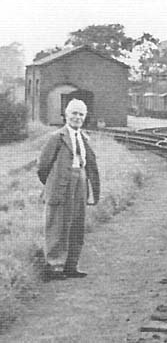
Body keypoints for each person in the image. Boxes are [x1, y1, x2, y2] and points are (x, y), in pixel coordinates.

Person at [36, 98, 101, 281]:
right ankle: (55, 266)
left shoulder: (84, 137)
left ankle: (71, 265)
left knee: (76, 223)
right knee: (57, 224)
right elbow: (43, 167)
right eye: (74, 113)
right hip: (60, 185)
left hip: (80, 182)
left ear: (85, 117)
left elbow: (90, 166)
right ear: (66, 114)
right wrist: (53, 185)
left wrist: (91, 188)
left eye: (81, 114)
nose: (77, 117)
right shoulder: (56, 137)